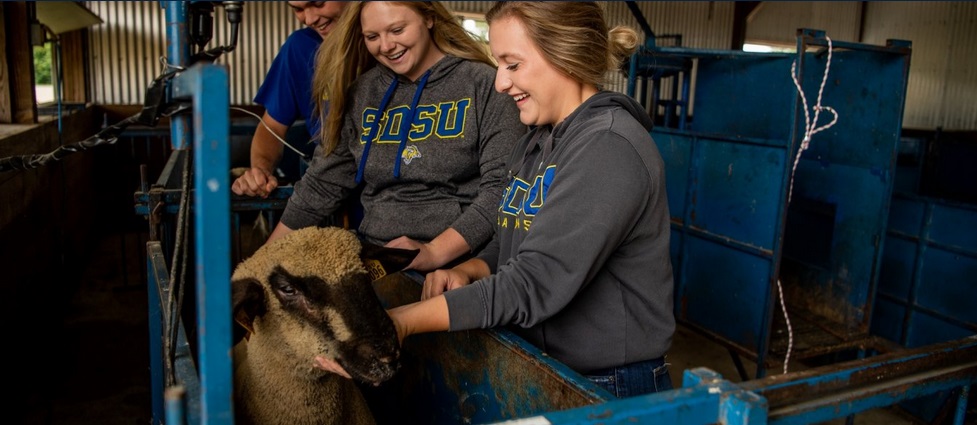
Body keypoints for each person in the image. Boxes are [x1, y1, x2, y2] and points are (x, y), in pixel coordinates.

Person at [319, 1, 676, 398]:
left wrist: (401, 322)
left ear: (566, 54)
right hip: (547, 367)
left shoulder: (608, 148)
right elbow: (515, 239)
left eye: (513, 65)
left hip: (606, 384)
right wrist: (473, 268)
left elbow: (532, 283)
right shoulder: (537, 141)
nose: (501, 84)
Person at [268, 1, 525, 272]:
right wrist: (263, 261)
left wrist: (435, 252)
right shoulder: (362, 93)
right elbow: (322, 184)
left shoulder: (485, 85)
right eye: (372, 37)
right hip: (378, 255)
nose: (386, 46)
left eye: (397, 30)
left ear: (428, 17)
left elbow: (501, 190)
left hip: (456, 263)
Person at [231, 1, 348, 198]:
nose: (309, 19)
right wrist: (260, 171)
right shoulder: (301, 48)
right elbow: (272, 127)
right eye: (298, 9)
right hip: (333, 196)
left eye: (318, 3)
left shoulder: (390, 46)